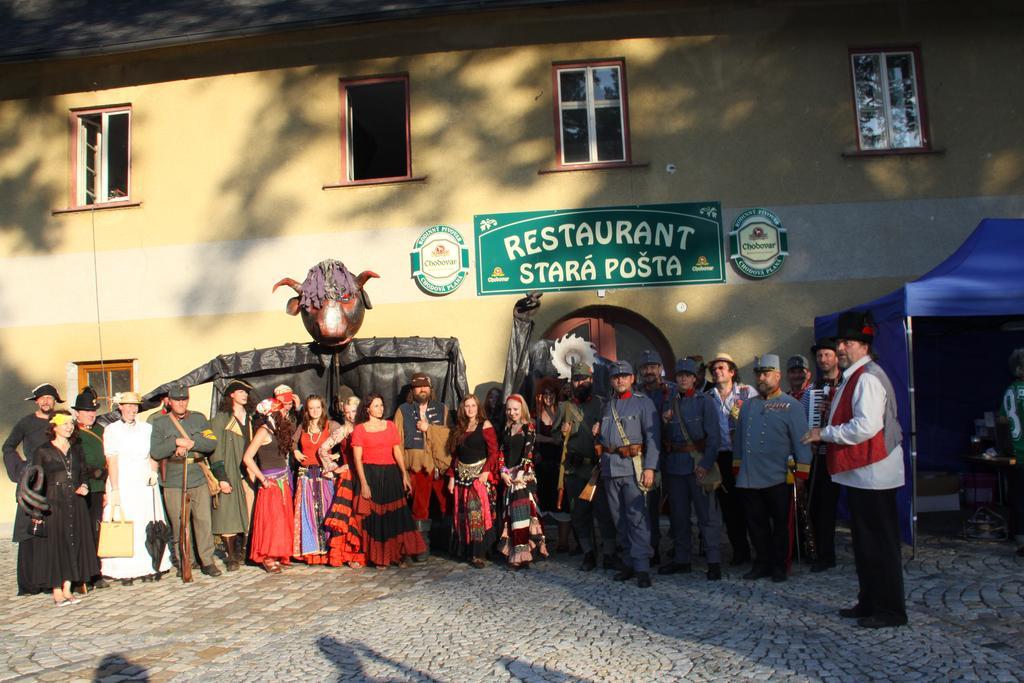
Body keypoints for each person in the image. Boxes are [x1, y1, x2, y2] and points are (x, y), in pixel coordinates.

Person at [803, 311, 908, 628]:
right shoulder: (857, 376)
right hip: (863, 474)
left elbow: (866, 426)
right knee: (865, 544)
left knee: (880, 546)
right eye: (840, 343)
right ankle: (869, 601)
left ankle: (890, 610)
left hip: (875, 473)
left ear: (863, 345)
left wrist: (826, 433)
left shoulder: (868, 377)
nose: (841, 349)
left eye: (846, 342)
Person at [733, 354, 812, 583]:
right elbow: (739, 440)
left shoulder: (791, 406)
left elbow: (802, 441)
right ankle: (762, 562)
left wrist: (802, 473)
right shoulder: (748, 406)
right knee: (755, 524)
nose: (761, 378)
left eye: (766, 374)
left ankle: (780, 565)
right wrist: (737, 467)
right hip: (750, 476)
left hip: (779, 476)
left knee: (780, 524)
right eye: (758, 374)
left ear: (778, 375)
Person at [596, 361, 660, 589]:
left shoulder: (644, 404)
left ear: (632, 378)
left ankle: (642, 566)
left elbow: (653, 439)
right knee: (619, 519)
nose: (620, 380)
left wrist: (650, 468)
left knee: (637, 518)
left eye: (624, 376)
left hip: (634, 469)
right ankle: (628, 563)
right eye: (615, 377)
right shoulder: (607, 406)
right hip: (610, 469)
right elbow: (604, 439)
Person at [150, 382, 223, 577]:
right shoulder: (159, 423)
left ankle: (207, 561)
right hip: (173, 479)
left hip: (197, 476)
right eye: (177, 400)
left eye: (184, 399)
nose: (181, 403)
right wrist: (175, 442)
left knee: (203, 521)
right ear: (169, 401)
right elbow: (156, 451)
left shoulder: (198, 419)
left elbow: (211, 442)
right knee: (179, 523)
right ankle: (185, 561)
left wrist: (192, 443)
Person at [27, 412, 100, 605]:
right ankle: (57, 590)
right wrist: (37, 510)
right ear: (54, 427)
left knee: (73, 542)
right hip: (53, 502)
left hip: (75, 502)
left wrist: (84, 485)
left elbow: (83, 472)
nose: (69, 427)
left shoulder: (76, 448)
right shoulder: (43, 451)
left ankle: (68, 588)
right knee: (56, 546)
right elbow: (36, 482)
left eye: (71, 423)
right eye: (64, 423)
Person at [659, 358, 723, 580]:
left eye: (687, 375)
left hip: (697, 465)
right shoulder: (670, 403)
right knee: (679, 516)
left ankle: (714, 561)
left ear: (695, 379)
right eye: (679, 375)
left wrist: (705, 464)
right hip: (675, 467)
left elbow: (714, 438)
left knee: (707, 515)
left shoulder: (705, 402)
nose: (683, 378)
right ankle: (681, 559)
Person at [102, 392, 173, 583]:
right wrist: (115, 489)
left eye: (135, 406)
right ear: (120, 408)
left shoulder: (146, 428)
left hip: (144, 480)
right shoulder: (112, 430)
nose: (132, 410)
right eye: (128, 406)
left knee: (146, 522)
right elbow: (112, 460)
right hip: (124, 480)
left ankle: (151, 565)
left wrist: (153, 472)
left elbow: (153, 454)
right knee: (127, 522)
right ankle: (126, 570)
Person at [351, 393, 425, 567]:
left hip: (391, 474)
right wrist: (364, 484)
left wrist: (404, 475)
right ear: (367, 408)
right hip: (371, 474)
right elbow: (357, 460)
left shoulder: (390, 425)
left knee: (395, 517)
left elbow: (397, 451)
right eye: (376, 405)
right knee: (377, 519)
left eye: (382, 405)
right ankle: (379, 558)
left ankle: (397, 555)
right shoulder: (360, 429)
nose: (380, 408)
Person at [556, 363, 616, 570]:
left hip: (596, 469)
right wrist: (561, 433)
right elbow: (554, 437)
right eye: (576, 379)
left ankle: (609, 553)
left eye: (584, 379)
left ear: (591, 380)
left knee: (604, 513)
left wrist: (602, 431)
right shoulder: (564, 407)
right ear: (571, 382)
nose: (580, 382)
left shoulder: (602, 405)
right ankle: (588, 552)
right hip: (574, 470)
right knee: (579, 514)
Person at [6, 383, 63, 595]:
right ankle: (29, 583)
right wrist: (20, 470)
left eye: (50, 398)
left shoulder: (61, 421)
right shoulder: (26, 423)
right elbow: (8, 446)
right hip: (32, 482)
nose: (46, 401)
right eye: (42, 398)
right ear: (36, 401)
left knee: (53, 532)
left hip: (55, 481)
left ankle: (51, 580)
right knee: (29, 532)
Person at [394, 372, 451, 561]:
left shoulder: (441, 408)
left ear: (430, 389)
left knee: (446, 504)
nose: (422, 389)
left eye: (425, 386)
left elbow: (449, 436)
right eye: (418, 387)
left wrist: (430, 429)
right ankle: (420, 546)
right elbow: (398, 442)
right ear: (413, 390)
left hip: (438, 466)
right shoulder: (403, 410)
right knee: (419, 507)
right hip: (416, 467)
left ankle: (447, 543)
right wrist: (402, 472)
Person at [708, 352, 757, 565]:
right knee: (729, 508)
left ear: (732, 371)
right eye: (715, 369)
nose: (718, 372)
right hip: (721, 457)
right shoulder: (708, 396)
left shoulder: (747, 393)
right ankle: (740, 551)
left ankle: (761, 551)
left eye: (722, 368)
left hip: (745, 456)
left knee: (751, 504)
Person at [242, 395, 297, 573]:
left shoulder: (278, 429)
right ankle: (268, 556)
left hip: (283, 480)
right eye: (280, 409)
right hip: (271, 482)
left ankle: (279, 553)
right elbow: (248, 458)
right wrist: (263, 479)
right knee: (271, 521)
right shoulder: (264, 431)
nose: (283, 412)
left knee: (282, 520)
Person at [446, 394, 501, 568]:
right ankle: (467, 551)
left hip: (478, 477)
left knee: (476, 512)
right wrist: (452, 477)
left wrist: (486, 472)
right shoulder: (459, 428)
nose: (470, 409)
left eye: (473, 406)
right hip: (462, 477)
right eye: (467, 406)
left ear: (478, 407)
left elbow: (494, 452)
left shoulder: (485, 425)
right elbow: (456, 455)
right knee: (462, 514)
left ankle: (479, 553)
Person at [803, 338, 843, 572]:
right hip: (818, 456)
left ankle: (827, 554)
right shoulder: (813, 390)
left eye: (827, 355)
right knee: (817, 506)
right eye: (820, 356)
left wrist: (832, 414)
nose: (823, 360)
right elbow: (806, 422)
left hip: (838, 455)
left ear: (836, 357)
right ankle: (818, 551)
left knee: (828, 507)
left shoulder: (847, 384)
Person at [498, 394, 548, 568]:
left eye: (516, 409)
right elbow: (501, 452)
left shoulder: (529, 427)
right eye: (509, 409)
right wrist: (503, 472)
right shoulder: (506, 428)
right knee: (511, 516)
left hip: (523, 476)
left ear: (522, 409)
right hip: (509, 477)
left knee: (523, 515)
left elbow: (528, 453)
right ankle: (515, 552)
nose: (512, 413)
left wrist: (519, 473)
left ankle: (524, 555)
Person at [209, 379, 254, 572]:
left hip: (247, 470)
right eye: (240, 391)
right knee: (228, 514)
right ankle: (231, 556)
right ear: (231, 395)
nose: (244, 394)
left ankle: (243, 550)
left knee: (248, 512)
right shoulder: (221, 419)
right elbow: (215, 450)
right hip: (229, 470)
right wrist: (222, 476)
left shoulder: (250, 418)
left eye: (246, 392)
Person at [291, 394, 341, 565]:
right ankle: (312, 551)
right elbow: (291, 442)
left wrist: (337, 455)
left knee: (327, 510)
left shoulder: (331, 425)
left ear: (323, 408)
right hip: (306, 474)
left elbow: (345, 441)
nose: (315, 411)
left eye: (318, 407)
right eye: (311, 408)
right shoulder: (302, 427)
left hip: (324, 474)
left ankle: (328, 550)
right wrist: (295, 451)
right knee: (308, 512)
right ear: (307, 410)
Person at [635, 349, 673, 565]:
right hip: (645, 457)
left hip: (673, 454)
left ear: (660, 368)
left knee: (677, 505)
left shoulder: (672, 391)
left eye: (653, 366)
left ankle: (679, 549)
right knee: (648, 505)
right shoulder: (636, 392)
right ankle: (652, 548)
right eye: (645, 367)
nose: (649, 371)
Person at [320, 396, 366, 567]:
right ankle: (351, 554)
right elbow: (322, 449)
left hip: (367, 474)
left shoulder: (365, 427)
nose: (351, 416)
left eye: (354, 411)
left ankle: (367, 551)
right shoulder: (343, 431)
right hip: (349, 477)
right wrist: (335, 468)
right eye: (347, 413)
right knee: (350, 515)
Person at [71, 387, 107, 589]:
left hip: (99, 488)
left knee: (96, 531)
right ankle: (80, 574)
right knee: (80, 531)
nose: (91, 415)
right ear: (77, 413)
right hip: (81, 487)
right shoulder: (72, 431)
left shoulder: (101, 431)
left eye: (93, 412)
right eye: (86, 412)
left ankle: (95, 571)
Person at [1000, 349, 1024, 555]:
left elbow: (1002, 420)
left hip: (1017, 452)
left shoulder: (1011, 391)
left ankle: (1019, 537)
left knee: (1018, 497)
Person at [532, 376, 564, 525]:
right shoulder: (535, 416)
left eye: (551, 393)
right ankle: (542, 539)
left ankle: (563, 541)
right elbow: (533, 437)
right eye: (545, 394)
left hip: (560, 464)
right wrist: (550, 440)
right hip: (541, 464)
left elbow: (564, 438)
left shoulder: (562, 412)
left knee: (562, 504)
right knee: (541, 503)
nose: (548, 397)